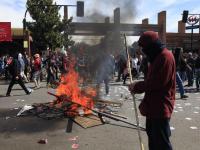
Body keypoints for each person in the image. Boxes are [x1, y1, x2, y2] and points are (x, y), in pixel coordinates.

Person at [128, 31, 175, 150]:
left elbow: (157, 83)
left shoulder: (165, 56)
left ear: (151, 46)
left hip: (160, 107)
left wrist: (136, 86)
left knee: (162, 144)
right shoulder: (157, 56)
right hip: (153, 107)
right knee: (153, 142)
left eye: (144, 48)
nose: (143, 51)